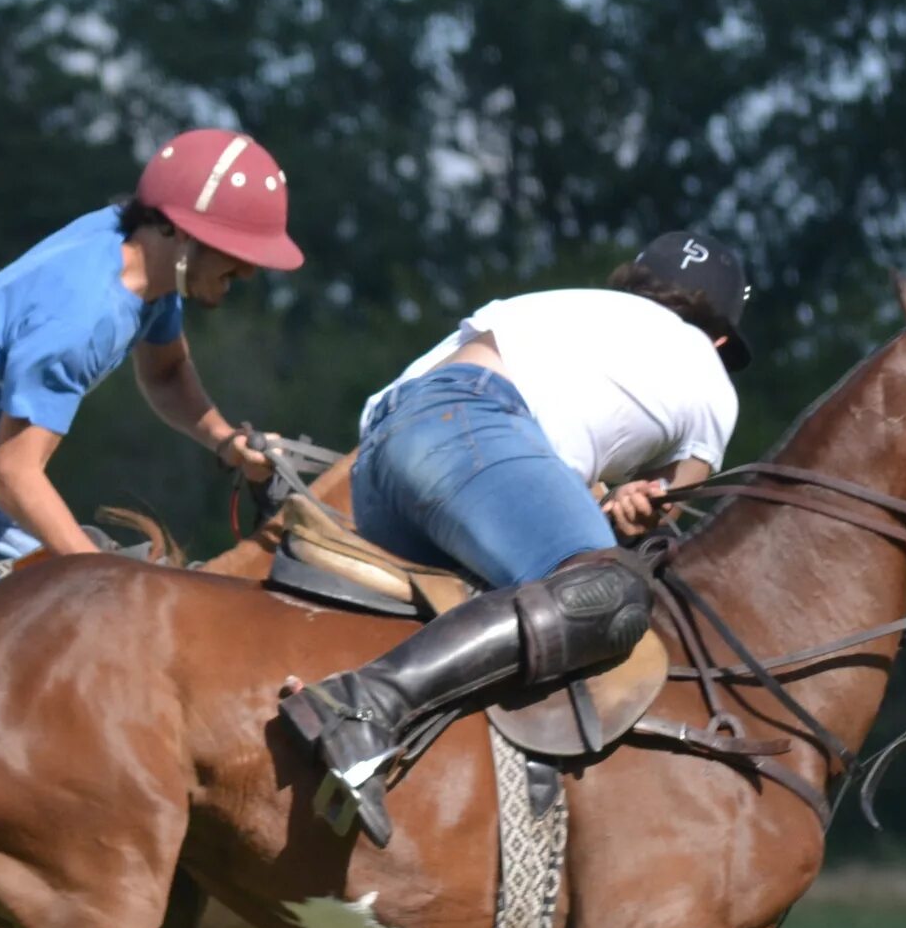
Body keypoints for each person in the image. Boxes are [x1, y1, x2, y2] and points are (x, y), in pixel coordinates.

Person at [280, 232, 755, 845]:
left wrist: (614, 503)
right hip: (475, 431)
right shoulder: (708, 371)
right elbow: (666, 505)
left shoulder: (564, 303)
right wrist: (635, 509)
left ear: (633, 285)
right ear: (720, 337)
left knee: (488, 622)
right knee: (608, 591)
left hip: (383, 458)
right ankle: (361, 705)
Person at [0, 130, 305, 625]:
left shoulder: (151, 266)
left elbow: (166, 374)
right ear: (183, 234)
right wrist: (100, 573)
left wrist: (227, 442)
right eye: (238, 251)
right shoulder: (86, 317)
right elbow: (12, 475)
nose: (251, 270)